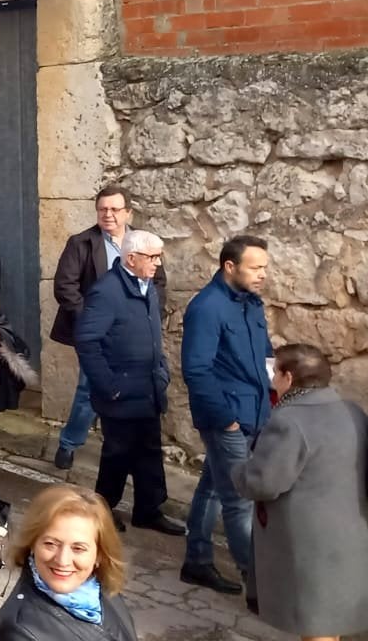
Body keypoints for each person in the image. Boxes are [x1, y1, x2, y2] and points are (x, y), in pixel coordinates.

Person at [232, 343, 368, 637]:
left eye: (275, 372)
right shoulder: (353, 412)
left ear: (288, 378)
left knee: (316, 625)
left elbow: (262, 483)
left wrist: (237, 470)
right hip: (351, 536)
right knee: (332, 621)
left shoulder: (289, 422)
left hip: (310, 545)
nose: (272, 379)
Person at [73, 230, 185, 536]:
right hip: (120, 392)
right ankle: (103, 512)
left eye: (159, 256)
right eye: (152, 257)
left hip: (147, 387)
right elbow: (87, 342)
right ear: (131, 258)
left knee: (149, 450)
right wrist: (110, 385)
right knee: (117, 454)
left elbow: (151, 334)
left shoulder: (146, 286)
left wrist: (160, 370)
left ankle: (149, 509)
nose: (158, 263)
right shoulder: (107, 292)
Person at [180, 235, 273, 598]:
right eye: (256, 267)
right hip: (226, 418)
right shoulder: (207, 307)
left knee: (213, 487)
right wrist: (226, 419)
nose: (263, 274)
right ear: (229, 267)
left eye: (265, 267)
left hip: (254, 414)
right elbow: (197, 369)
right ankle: (258, 583)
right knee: (240, 499)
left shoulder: (251, 303)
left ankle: (197, 561)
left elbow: (263, 358)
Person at [52, 185, 164, 469]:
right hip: (98, 333)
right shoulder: (82, 243)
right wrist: (92, 318)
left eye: (115, 209)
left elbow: (159, 283)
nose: (108, 215)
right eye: (102, 209)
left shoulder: (144, 243)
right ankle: (69, 443)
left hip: (133, 334)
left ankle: (122, 446)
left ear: (128, 212)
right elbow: (65, 287)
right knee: (89, 388)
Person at [0, 484, 136, 641]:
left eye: (78, 548)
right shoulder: (19, 633)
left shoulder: (99, 587)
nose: (62, 560)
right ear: (32, 544)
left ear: (99, 554)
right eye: (50, 544)